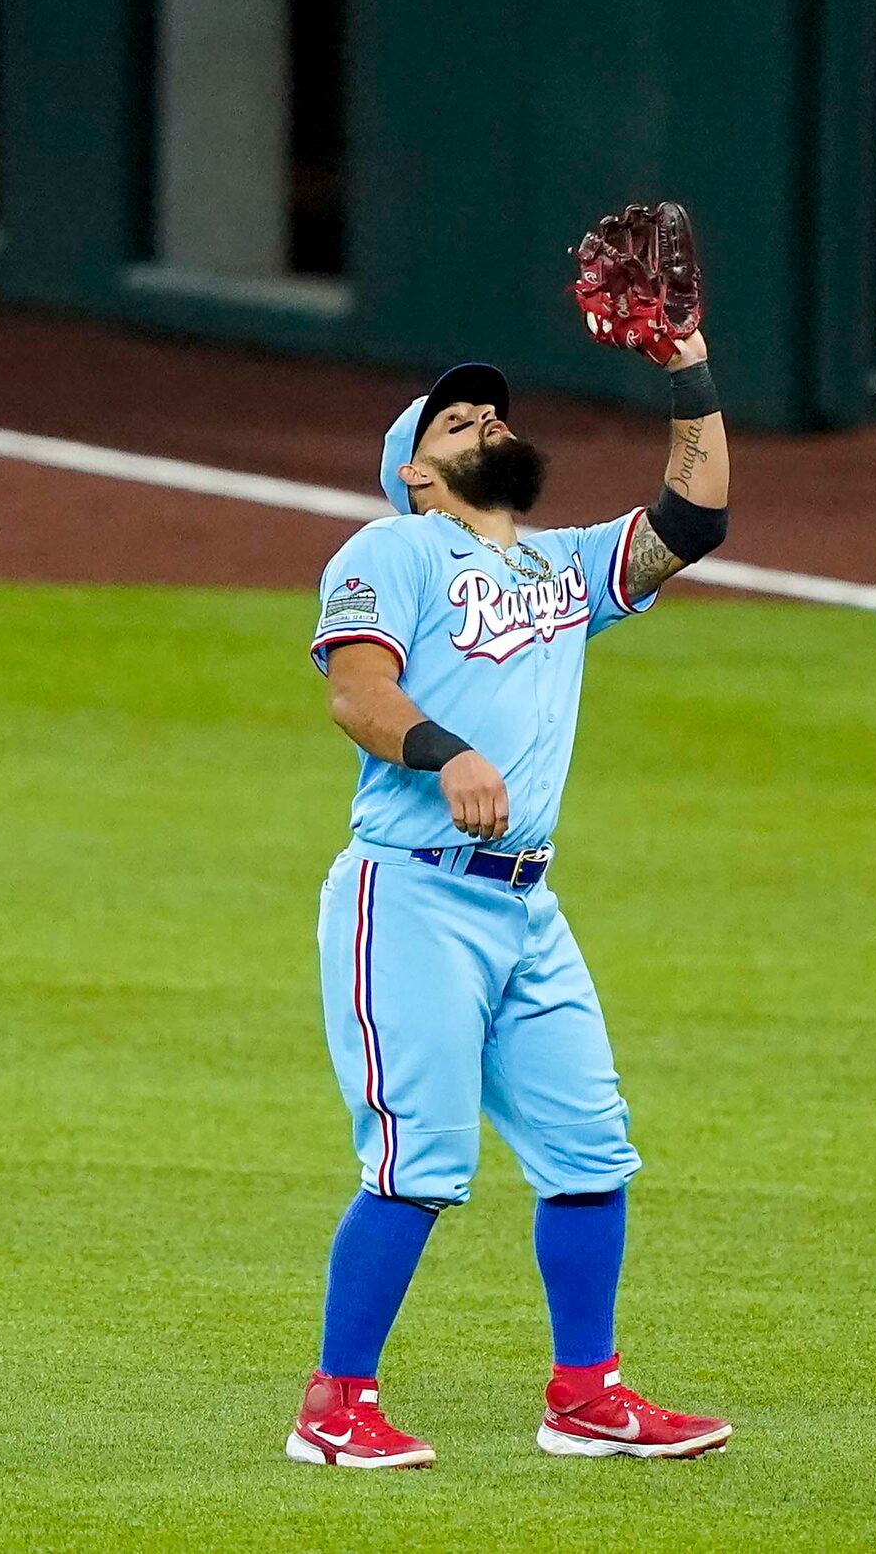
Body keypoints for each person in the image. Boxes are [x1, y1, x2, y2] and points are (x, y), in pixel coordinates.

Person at [289, 326, 732, 1468]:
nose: (486, 422)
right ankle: (335, 1406)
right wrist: (446, 752)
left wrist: (687, 363)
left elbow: (693, 521)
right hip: (414, 898)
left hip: (528, 910)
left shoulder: (562, 566)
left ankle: (586, 1396)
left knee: (593, 1152)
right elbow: (356, 690)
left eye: (491, 413)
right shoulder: (393, 548)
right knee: (419, 1160)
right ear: (419, 474)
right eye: (455, 421)